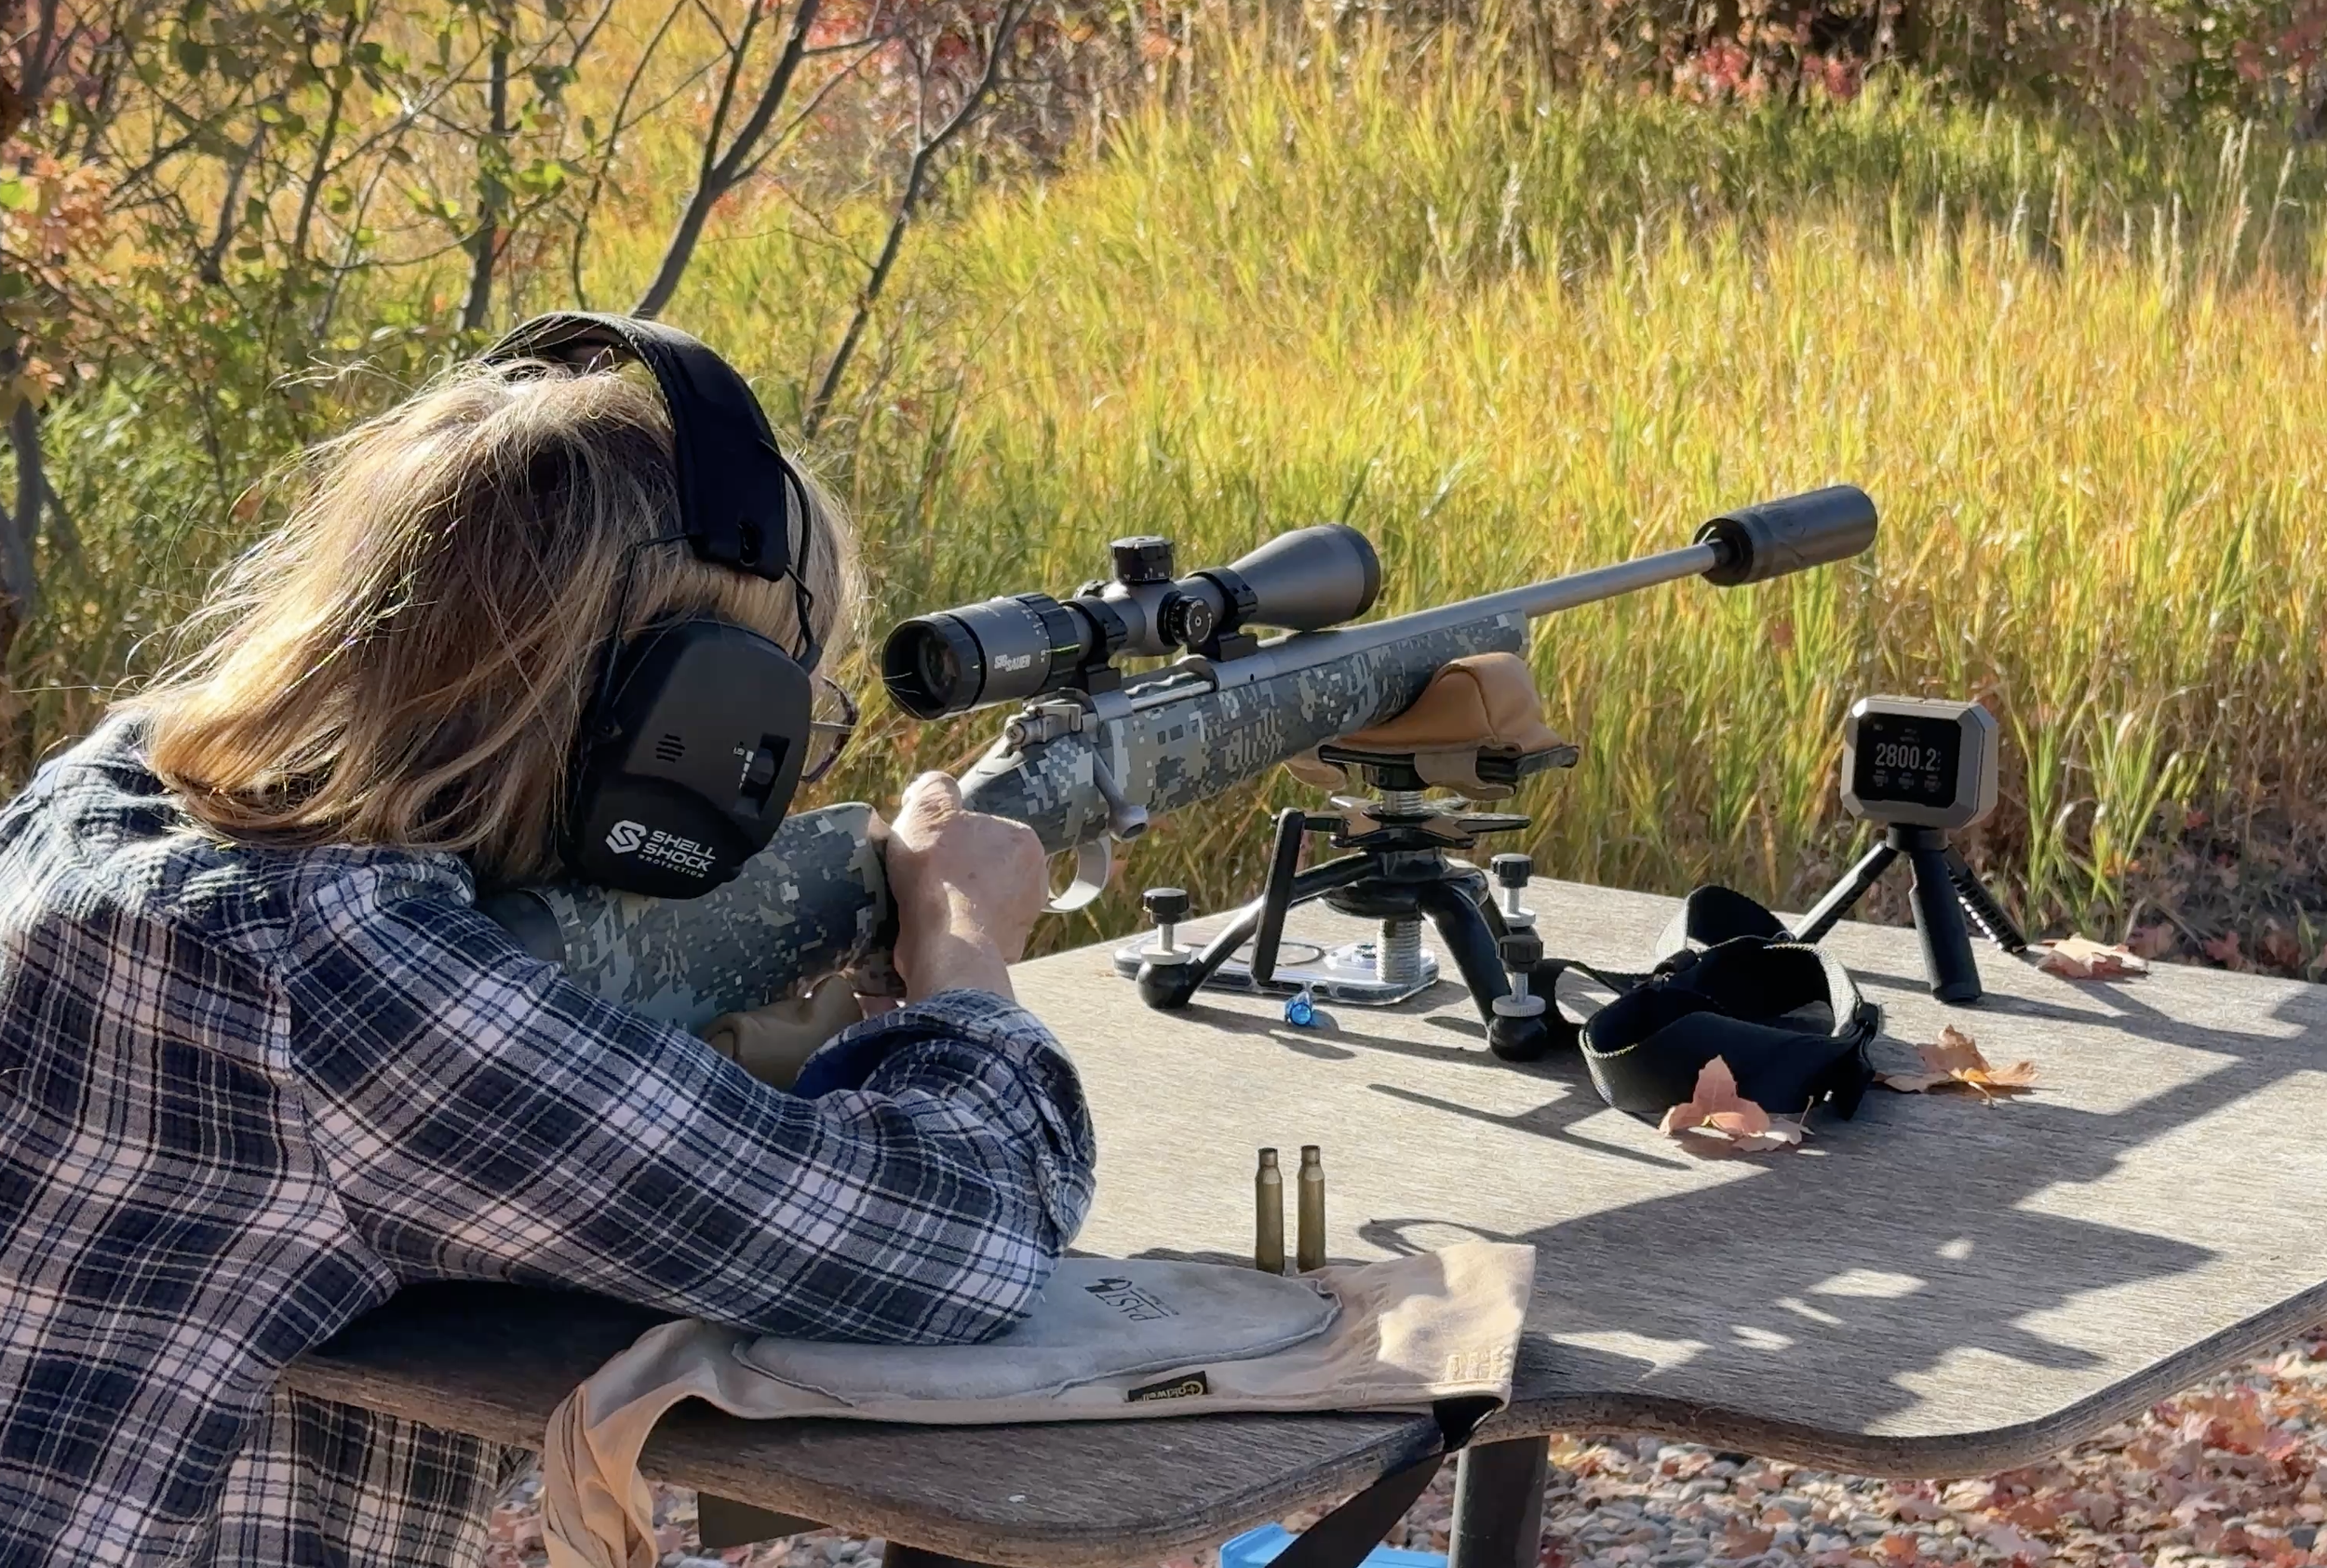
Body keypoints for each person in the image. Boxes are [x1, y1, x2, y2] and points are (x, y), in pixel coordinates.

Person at [0, 351, 1096, 1566]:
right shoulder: (353, 982)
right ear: (692, 729)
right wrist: (961, 943)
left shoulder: (95, 796)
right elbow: (968, 1246)